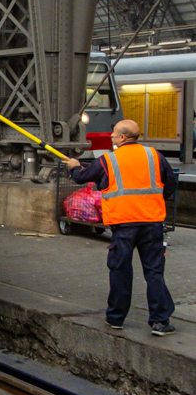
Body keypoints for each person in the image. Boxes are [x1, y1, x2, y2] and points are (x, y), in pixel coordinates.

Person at [65, 119, 178, 336]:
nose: (111, 136)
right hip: (152, 223)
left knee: (120, 271)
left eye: (114, 133)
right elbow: (170, 184)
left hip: (124, 225)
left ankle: (116, 319)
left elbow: (81, 178)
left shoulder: (108, 160)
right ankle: (160, 322)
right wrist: (153, 202)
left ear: (123, 138)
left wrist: (73, 167)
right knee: (154, 272)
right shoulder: (154, 155)